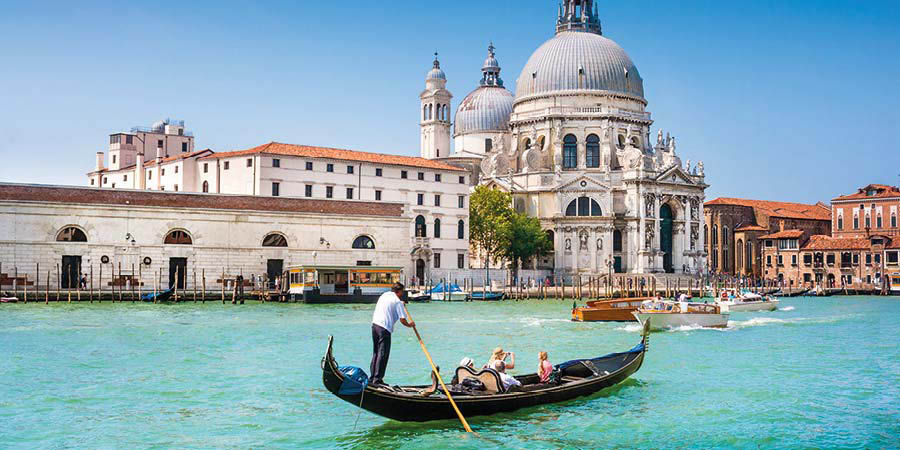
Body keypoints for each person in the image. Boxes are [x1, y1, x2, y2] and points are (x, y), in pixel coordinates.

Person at [370, 282, 415, 386]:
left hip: (375, 325)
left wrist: (401, 304)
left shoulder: (384, 295)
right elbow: (403, 320)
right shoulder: (397, 302)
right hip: (384, 328)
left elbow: (391, 306)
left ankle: (372, 377)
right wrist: (410, 325)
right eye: (402, 292)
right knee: (383, 354)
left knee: (376, 353)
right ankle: (377, 380)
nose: (402, 294)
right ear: (399, 291)